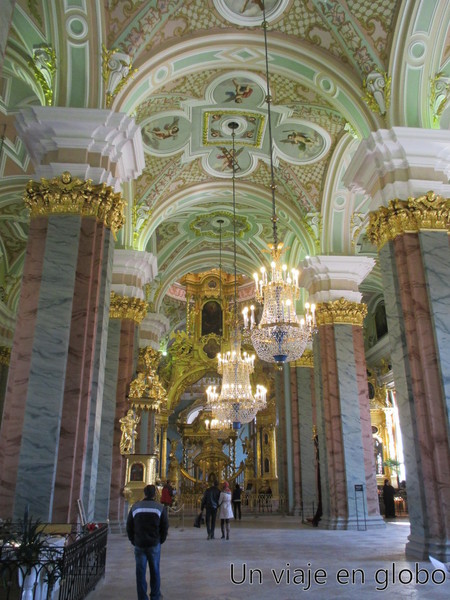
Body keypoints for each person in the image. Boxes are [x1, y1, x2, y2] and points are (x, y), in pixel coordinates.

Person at [126, 484, 169, 600]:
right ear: (155, 494)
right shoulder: (160, 507)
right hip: (154, 544)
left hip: (139, 544)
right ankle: (155, 596)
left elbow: (129, 526)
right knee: (155, 571)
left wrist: (133, 540)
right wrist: (160, 540)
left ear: (144, 494)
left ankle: (142, 597)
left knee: (140, 572)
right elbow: (165, 527)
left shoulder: (135, 507)